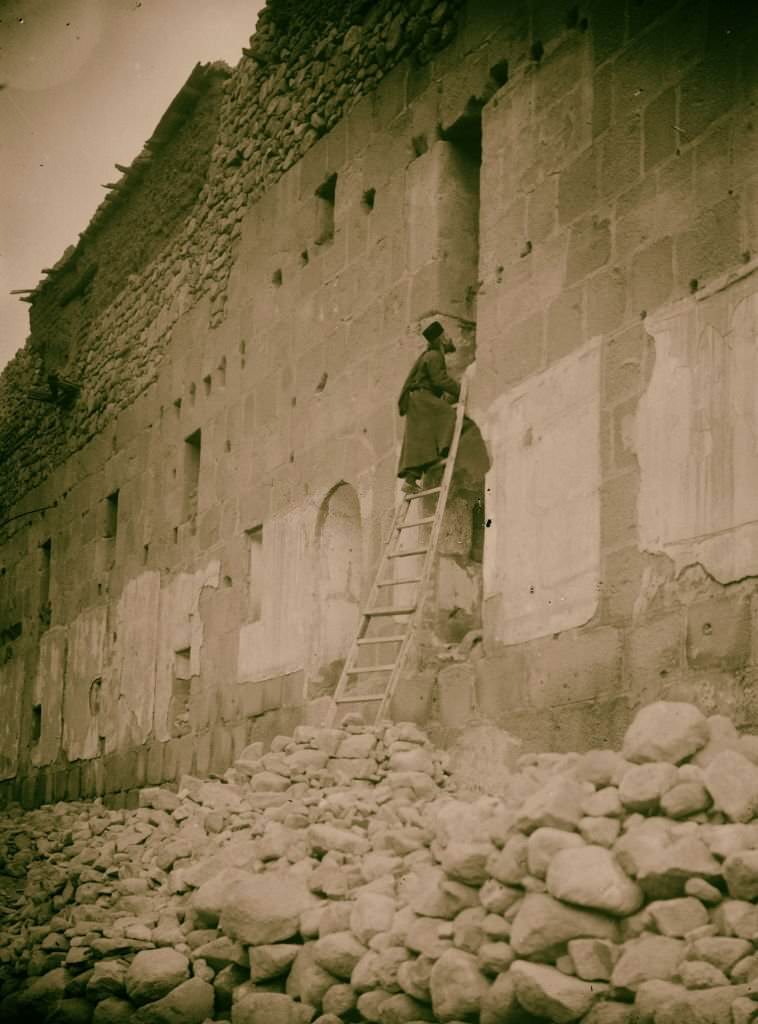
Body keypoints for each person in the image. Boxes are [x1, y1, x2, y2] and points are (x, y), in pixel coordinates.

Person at [397, 320, 461, 494]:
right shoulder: (434, 356)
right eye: (446, 336)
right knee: (447, 414)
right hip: (421, 397)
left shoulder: (429, 355)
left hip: (417, 399)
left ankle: (410, 480)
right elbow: (439, 379)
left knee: (422, 439)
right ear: (441, 339)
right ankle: (443, 451)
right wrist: (460, 389)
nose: (449, 339)